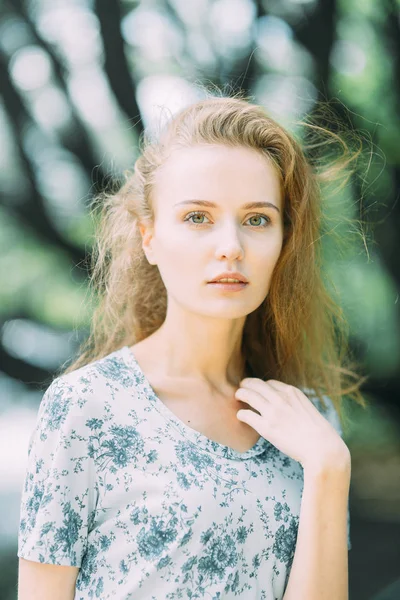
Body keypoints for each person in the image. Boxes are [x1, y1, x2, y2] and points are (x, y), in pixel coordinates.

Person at [17, 94, 368, 599]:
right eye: (198, 217)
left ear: (283, 242)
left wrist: (329, 469)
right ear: (150, 238)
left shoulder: (309, 419)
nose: (231, 245)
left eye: (257, 219)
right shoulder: (88, 409)